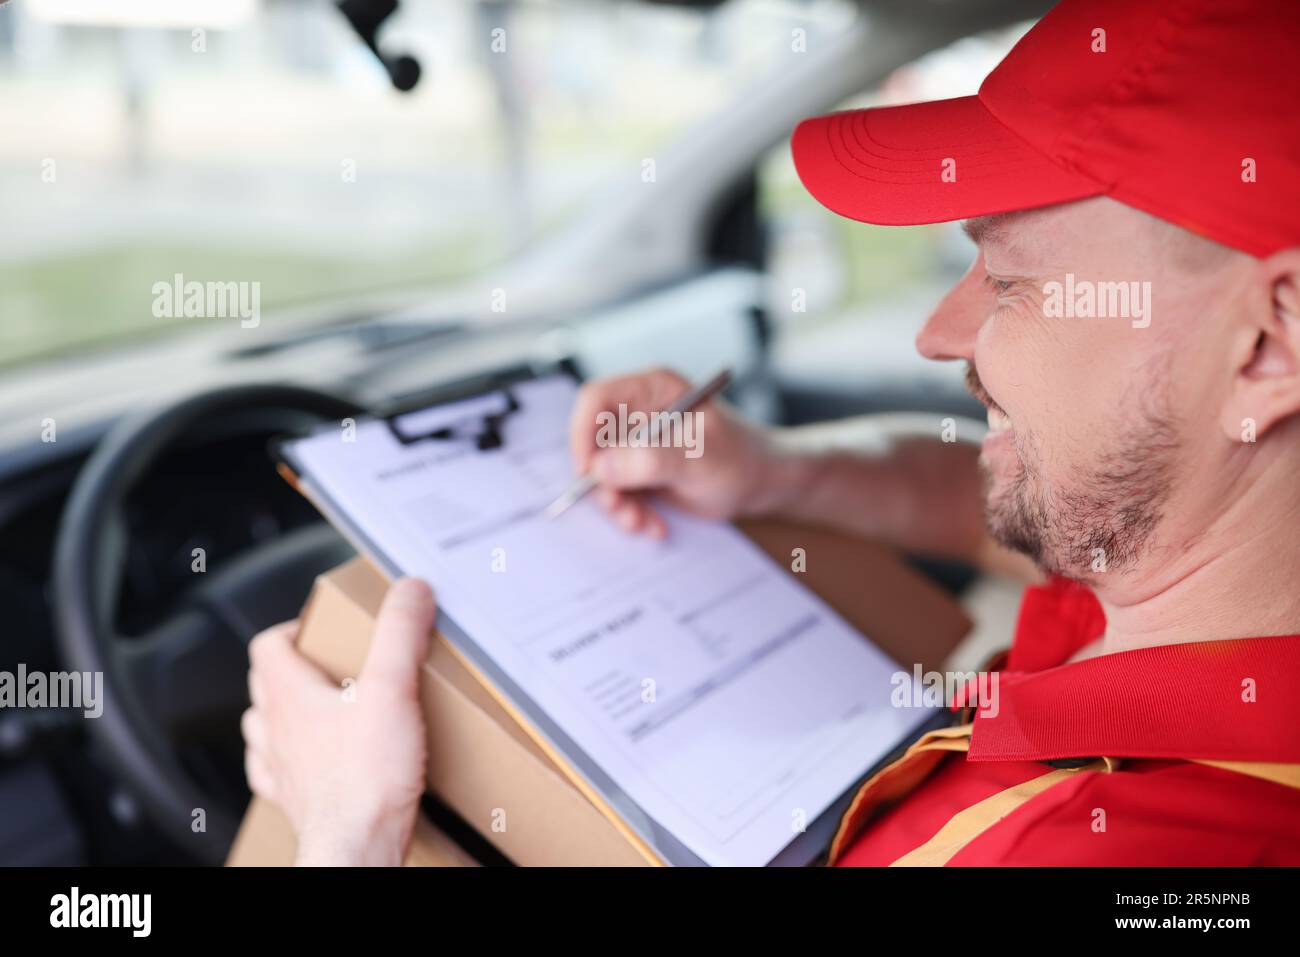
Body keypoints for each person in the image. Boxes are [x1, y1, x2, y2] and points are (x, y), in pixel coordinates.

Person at [242, 0, 1300, 865]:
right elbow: (1001, 512)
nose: (941, 331)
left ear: (1269, 346)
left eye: (1012, 281)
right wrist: (773, 469)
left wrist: (346, 829)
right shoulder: (1197, 572)